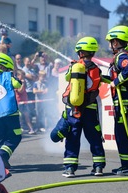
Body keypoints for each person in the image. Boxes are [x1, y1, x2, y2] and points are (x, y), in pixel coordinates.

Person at [51, 37, 106, 178]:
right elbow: (96, 84)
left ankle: (70, 169)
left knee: (73, 137)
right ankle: (98, 167)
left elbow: (67, 78)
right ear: (92, 52)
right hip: (90, 108)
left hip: (74, 109)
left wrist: (74, 66)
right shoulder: (96, 69)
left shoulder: (75, 66)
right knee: (94, 137)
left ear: (80, 52)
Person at [105, 25, 128, 176]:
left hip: (126, 104)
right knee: (121, 135)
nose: (109, 45)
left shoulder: (122, 56)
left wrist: (116, 81)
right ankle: (126, 165)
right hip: (123, 103)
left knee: (124, 135)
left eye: (111, 41)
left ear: (116, 42)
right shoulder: (121, 56)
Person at [15, 69, 35, 134]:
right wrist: (23, 83)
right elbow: (20, 91)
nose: (23, 77)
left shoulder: (23, 82)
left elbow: (24, 89)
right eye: (22, 75)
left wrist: (24, 83)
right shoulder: (16, 82)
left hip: (24, 101)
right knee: (20, 116)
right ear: (18, 76)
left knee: (27, 116)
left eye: (24, 75)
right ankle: (20, 128)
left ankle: (31, 129)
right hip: (19, 102)